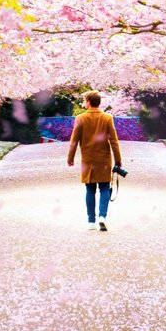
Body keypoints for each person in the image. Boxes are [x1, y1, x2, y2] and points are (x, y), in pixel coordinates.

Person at [66, 91, 122, 231]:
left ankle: (91, 221)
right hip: (104, 159)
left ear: (89, 102)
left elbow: (74, 141)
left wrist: (70, 158)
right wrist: (118, 160)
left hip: (87, 160)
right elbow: (114, 141)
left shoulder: (80, 118)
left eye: (85, 100)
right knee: (104, 188)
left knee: (90, 189)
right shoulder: (107, 118)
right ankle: (102, 216)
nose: (84, 103)